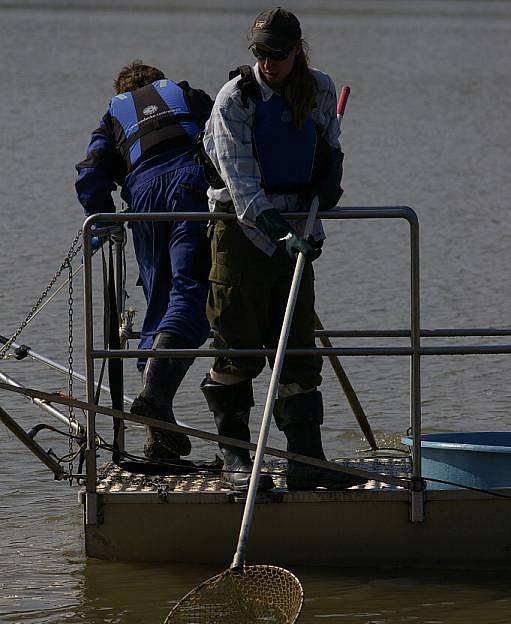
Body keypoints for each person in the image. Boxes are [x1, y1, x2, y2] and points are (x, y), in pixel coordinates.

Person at [201, 7, 363, 491]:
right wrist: (279, 232)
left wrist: (327, 188)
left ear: (298, 50)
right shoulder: (235, 100)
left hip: (298, 230)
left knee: (296, 345)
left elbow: (328, 148)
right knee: (236, 345)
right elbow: (242, 186)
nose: (269, 64)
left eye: (279, 54)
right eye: (261, 54)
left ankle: (305, 458)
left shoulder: (320, 88)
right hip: (242, 231)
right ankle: (236, 458)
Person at [75, 61, 213, 462]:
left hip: (144, 199)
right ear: (158, 83)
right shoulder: (188, 96)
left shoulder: (114, 114)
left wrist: (103, 216)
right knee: (191, 292)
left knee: (158, 304)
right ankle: (154, 397)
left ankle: (159, 438)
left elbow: (92, 171)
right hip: (190, 188)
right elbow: (227, 136)